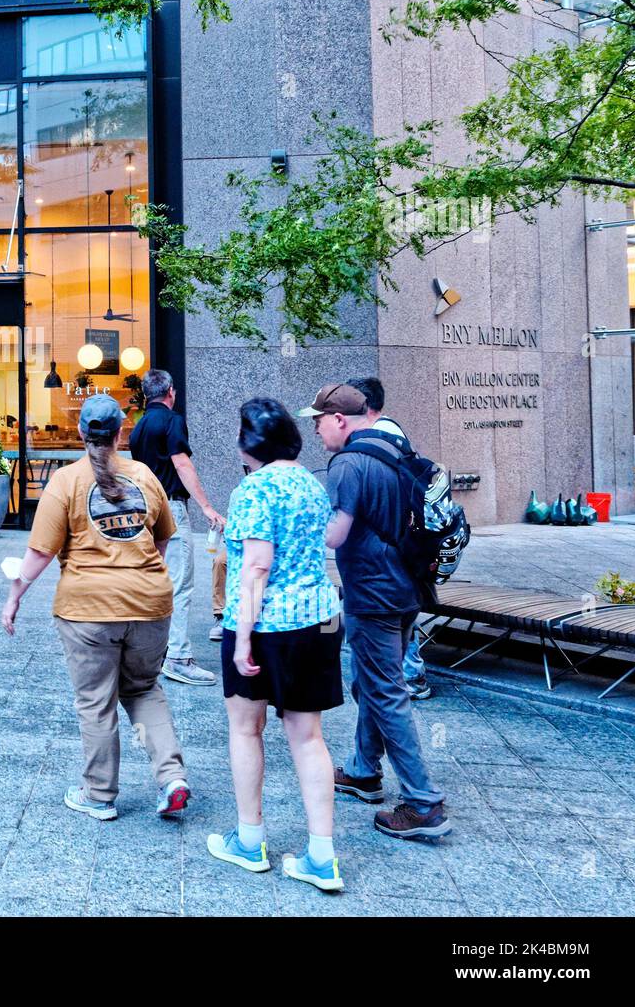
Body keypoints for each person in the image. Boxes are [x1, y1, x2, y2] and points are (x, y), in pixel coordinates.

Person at [1, 394, 191, 822]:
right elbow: (162, 540)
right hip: (151, 604)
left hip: (88, 610)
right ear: (122, 433)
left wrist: (13, 599)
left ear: (83, 433)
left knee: (96, 701)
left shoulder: (65, 481)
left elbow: (39, 554)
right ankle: (171, 777)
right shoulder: (144, 475)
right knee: (143, 690)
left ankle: (100, 794)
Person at [301, 382, 452, 840]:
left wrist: (293, 528)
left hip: (373, 593)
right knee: (373, 680)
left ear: (339, 420)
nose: (316, 430)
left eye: (318, 421)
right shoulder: (397, 448)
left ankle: (423, 803)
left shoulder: (347, 462)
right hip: (407, 587)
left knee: (386, 691)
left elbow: (336, 534)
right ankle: (364, 771)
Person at [207, 398, 345, 892]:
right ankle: (322, 857)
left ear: (251, 445)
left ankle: (250, 841)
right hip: (319, 620)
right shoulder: (312, 483)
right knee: (309, 738)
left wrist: (240, 635)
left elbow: (257, 567)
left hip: (268, 625)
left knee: (247, 730)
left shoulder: (252, 489)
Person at [128, 368, 226, 686]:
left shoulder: (139, 427)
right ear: (171, 391)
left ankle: (153, 652)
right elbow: (181, 462)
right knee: (180, 584)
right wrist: (207, 506)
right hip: (169, 508)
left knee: (155, 581)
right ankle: (178, 657)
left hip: (144, 510)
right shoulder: (172, 421)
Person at [346, 376, 430, 701]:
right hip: (408, 542)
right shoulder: (396, 433)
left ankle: (406, 676)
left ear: (363, 405)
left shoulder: (376, 439)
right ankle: (410, 675)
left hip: (393, 546)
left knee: (395, 611)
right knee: (403, 609)